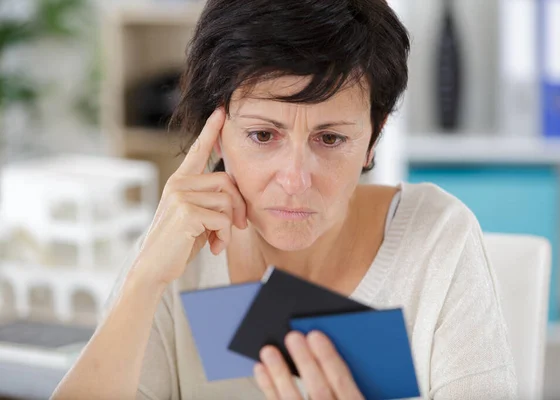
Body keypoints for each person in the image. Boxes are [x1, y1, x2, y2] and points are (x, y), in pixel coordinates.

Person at [52, 0, 518, 399]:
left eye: (331, 139)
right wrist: (144, 281)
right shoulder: (178, 250)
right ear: (216, 134)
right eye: (262, 134)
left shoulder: (438, 241)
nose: (295, 180)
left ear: (373, 139)